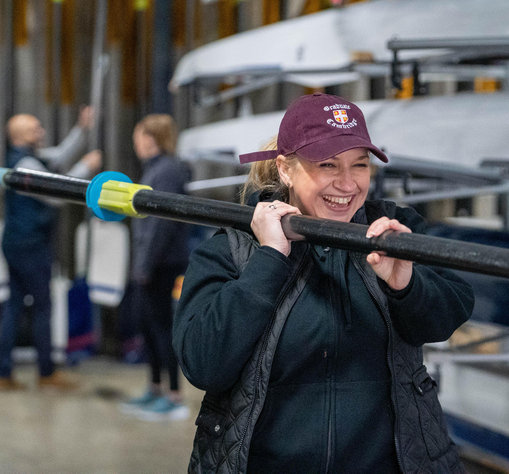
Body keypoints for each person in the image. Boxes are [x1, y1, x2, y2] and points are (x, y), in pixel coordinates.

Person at [173, 93, 475, 473]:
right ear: (285, 169)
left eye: (360, 165)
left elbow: (449, 312)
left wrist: (407, 284)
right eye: (328, 165)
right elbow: (203, 365)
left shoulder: (394, 231)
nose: (347, 184)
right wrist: (269, 259)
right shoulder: (234, 248)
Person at [0, 107, 102, 391]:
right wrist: (86, 168)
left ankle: (2, 374)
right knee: (43, 307)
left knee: (14, 306)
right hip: (30, 246)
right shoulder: (26, 165)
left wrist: (81, 128)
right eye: (35, 129)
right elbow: (55, 194)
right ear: (20, 137)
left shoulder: (29, 158)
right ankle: (46, 374)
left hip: (17, 243)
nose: (41, 132)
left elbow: (59, 155)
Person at [120, 114, 191, 421]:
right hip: (151, 263)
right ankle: (154, 388)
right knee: (149, 328)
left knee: (163, 328)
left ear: (151, 138)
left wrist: (145, 266)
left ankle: (174, 396)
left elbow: (161, 225)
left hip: (162, 263)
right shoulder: (155, 170)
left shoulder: (167, 171)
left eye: (139, 135)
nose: (136, 142)